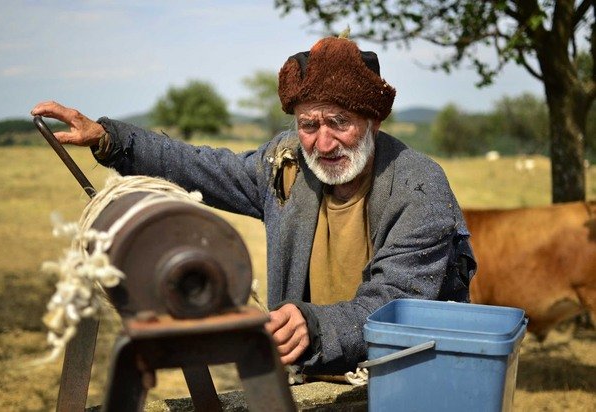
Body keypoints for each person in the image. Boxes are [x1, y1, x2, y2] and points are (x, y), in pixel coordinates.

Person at [31, 36, 476, 375]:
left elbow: (396, 302)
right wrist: (113, 140)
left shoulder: (419, 187)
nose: (323, 142)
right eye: (309, 124)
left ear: (373, 120)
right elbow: (202, 166)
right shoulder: (285, 163)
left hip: (405, 380)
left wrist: (314, 326)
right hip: (311, 376)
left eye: (340, 122)